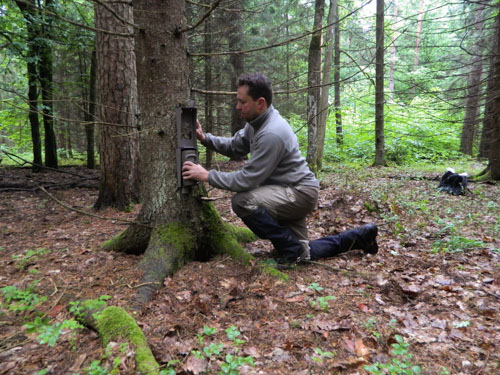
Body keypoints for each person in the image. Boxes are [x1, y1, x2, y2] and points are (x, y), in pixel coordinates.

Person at [182, 73, 378, 264]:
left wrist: (207, 175)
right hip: (289, 189)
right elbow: (235, 145)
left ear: (260, 103)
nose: (238, 107)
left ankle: (289, 249)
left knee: (243, 201)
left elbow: (246, 180)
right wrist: (205, 138)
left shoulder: (271, 133)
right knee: (304, 254)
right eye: (238, 101)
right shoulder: (256, 123)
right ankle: (360, 237)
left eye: (243, 102)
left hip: (298, 192)